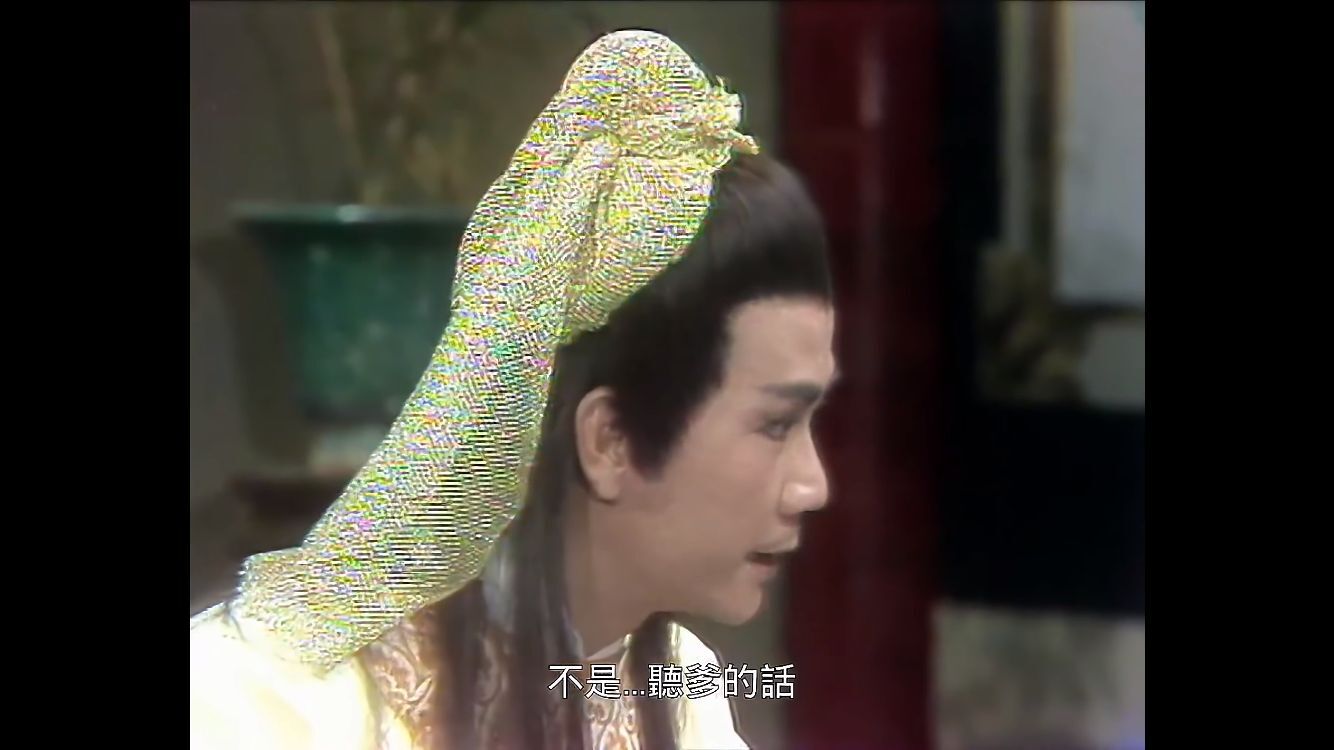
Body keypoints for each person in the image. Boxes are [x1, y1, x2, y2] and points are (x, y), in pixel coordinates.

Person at [190, 29, 838, 750]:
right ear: (610, 441)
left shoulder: (681, 687)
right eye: (776, 424)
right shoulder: (258, 703)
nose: (812, 486)